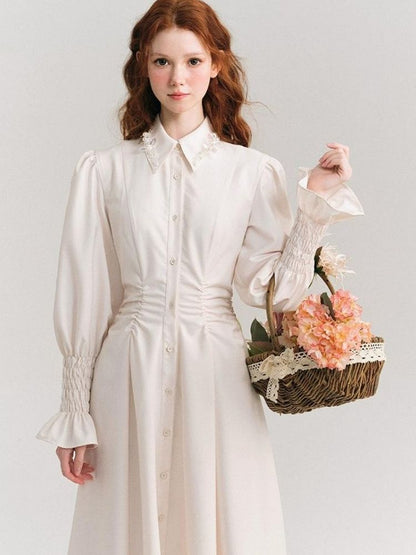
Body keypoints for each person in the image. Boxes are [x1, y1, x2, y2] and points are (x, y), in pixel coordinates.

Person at [35, 0, 364, 553]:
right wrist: (75, 413)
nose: (177, 78)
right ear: (144, 67)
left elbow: (269, 292)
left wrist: (315, 207)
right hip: (127, 373)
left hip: (215, 372)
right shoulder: (104, 171)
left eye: (192, 61)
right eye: (162, 62)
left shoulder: (251, 173)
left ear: (215, 65)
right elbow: (88, 297)